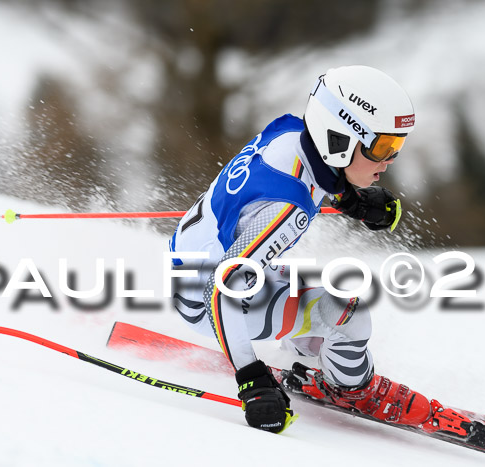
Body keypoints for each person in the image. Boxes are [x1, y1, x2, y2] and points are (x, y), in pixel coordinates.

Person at [169, 65, 465, 436]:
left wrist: (352, 201)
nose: (390, 160)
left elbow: (314, 172)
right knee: (348, 314)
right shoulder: (287, 208)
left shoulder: (291, 130)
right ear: (341, 138)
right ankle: (354, 391)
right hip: (205, 300)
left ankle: (305, 361)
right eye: (383, 147)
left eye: (396, 146)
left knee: (313, 295)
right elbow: (222, 286)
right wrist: (252, 380)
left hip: (194, 269)